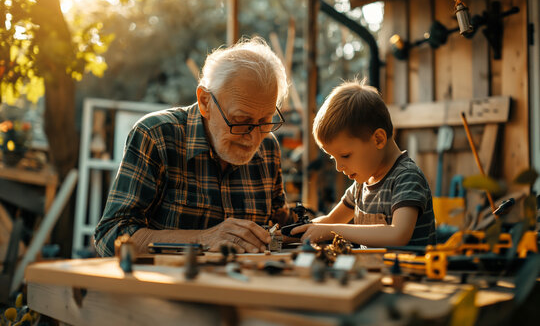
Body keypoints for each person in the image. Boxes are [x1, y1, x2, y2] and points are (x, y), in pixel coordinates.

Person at [94, 37, 292, 257]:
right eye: (241, 121)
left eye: (265, 121)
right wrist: (203, 239)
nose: (254, 138)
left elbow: (279, 226)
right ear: (205, 101)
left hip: (241, 287)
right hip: (166, 289)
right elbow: (110, 237)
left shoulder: (269, 148)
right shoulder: (157, 136)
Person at [291, 80, 436, 246]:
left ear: (378, 139)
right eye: (333, 158)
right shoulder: (361, 186)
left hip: (406, 271)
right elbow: (330, 220)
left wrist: (333, 231)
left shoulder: (407, 178)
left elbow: (398, 234)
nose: (339, 167)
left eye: (345, 156)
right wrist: (289, 233)